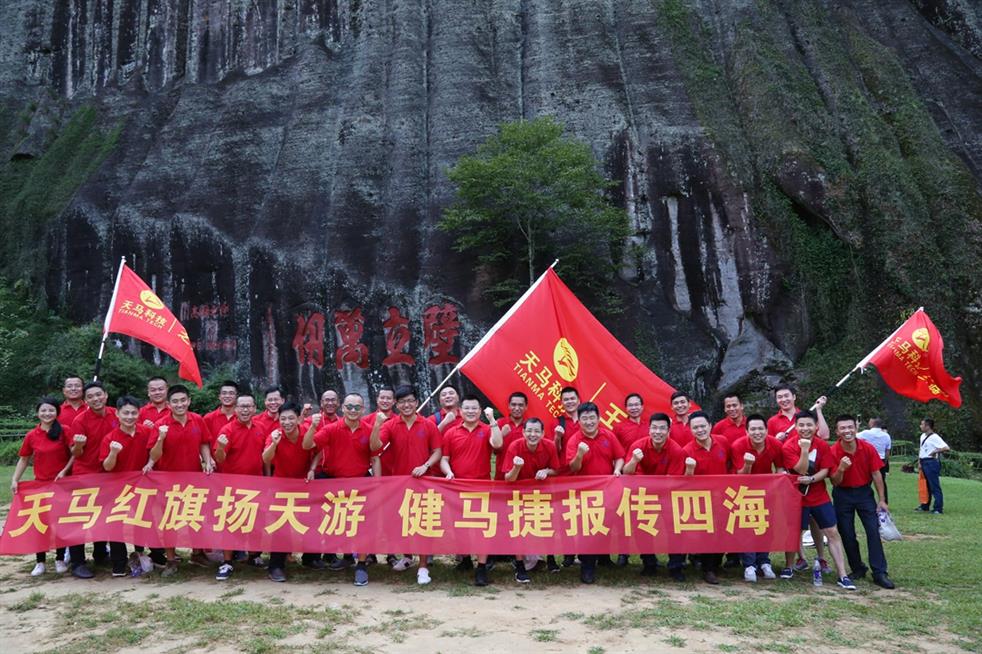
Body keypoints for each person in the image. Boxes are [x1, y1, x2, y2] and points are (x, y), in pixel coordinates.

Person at [304, 393, 379, 585]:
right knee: (334, 522)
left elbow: (375, 455)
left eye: (357, 407)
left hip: (360, 484)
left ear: (363, 409)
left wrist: (378, 483)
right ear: (343, 408)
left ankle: (361, 565)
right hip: (334, 483)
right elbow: (308, 445)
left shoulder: (369, 429)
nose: (353, 410)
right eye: (349, 407)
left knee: (362, 524)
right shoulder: (331, 429)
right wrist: (312, 426)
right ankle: (338, 556)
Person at [371, 385, 443, 583]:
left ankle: (423, 567)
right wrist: (377, 425)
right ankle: (407, 557)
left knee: (423, 523)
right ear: (397, 404)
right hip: (400, 482)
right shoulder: (391, 425)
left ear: (417, 402)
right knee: (403, 522)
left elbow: (437, 451)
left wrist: (425, 465)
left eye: (410, 401)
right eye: (402, 402)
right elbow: (375, 446)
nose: (406, 405)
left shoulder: (428, 425)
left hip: (423, 481)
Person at [145, 384, 215, 576]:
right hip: (168, 481)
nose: (180, 404)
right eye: (175, 401)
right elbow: (154, 455)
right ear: (168, 404)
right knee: (170, 521)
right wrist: (161, 438)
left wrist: (207, 460)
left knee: (196, 517)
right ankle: (171, 559)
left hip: (194, 477)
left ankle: (197, 553)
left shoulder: (198, 420)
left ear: (189, 401)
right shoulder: (161, 425)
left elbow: (204, 442)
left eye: (183, 400)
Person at [780, 410, 854, 590]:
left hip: (819, 496)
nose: (805, 428)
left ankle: (842, 575)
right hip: (796, 498)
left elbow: (826, 470)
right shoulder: (788, 446)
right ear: (795, 427)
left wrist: (812, 479)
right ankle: (789, 566)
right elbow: (800, 469)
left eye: (809, 425)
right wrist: (805, 450)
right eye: (801, 425)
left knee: (832, 532)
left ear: (816, 426)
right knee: (794, 532)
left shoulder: (822, 446)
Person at [440, 396, 504, 586]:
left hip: (481, 487)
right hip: (457, 487)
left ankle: (481, 567)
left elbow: (498, 444)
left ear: (480, 411)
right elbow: (444, 459)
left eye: (474, 408)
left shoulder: (487, 429)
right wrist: (448, 471)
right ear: (460, 411)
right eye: (466, 408)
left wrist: (492, 420)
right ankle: (465, 558)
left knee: (481, 528)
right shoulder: (451, 433)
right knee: (460, 527)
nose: (470, 411)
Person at [829, 415, 895, 589]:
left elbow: (876, 474)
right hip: (842, 494)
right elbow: (835, 481)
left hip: (864, 494)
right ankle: (857, 568)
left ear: (856, 429)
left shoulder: (867, 448)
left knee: (873, 531)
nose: (847, 431)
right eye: (842, 428)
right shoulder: (833, 451)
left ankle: (879, 572)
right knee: (847, 533)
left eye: (850, 427)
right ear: (837, 432)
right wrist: (841, 469)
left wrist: (882, 500)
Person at [11, 398, 72, 576]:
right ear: (38, 413)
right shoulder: (32, 435)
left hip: (61, 485)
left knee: (60, 524)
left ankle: (60, 559)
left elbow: (75, 454)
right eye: (43, 410)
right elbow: (24, 459)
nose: (47, 414)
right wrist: (15, 479)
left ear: (57, 412)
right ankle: (40, 562)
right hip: (40, 486)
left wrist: (65, 471)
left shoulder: (65, 431)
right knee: (40, 524)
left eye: (51, 410)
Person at [565, 402, 625, 584]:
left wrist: (617, 470)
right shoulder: (574, 440)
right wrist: (580, 454)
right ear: (579, 420)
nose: (589, 422)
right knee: (588, 529)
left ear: (599, 418)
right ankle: (587, 567)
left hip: (608, 490)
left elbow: (619, 457)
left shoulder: (608, 435)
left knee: (606, 524)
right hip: (585, 492)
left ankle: (604, 559)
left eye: (592, 418)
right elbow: (573, 467)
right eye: (585, 418)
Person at [622, 412, 686, 580]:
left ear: (668, 430)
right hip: (643, 495)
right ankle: (649, 563)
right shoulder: (638, 446)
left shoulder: (676, 450)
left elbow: (674, 481)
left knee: (675, 529)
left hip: (667, 496)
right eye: (654, 428)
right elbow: (626, 472)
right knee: (642, 529)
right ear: (649, 429)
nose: (658, 432)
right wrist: (634, 460)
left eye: (662, 428)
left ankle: (676, 566)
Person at [67, 380, 119, 576]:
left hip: (110, 474)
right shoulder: (80, 420)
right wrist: (79, 445)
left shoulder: (116, 414)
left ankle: (100, 553)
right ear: (86, 401)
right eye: (90, 397)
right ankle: (77, 562)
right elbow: (75, 453)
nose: (95, 399)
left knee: (105, 516)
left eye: (98, 395)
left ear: (106, 395)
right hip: (85, 475)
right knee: (80, 518)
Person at [213, 394, 268, 578]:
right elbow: (219, 459)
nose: (245, 410)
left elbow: (265, 456)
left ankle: (254, 556)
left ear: (254, 409)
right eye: (242, 406)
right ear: (235, 409)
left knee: (255, 522)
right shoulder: (227, 430)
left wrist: (268, 479)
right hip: (232, 486)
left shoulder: (261, 427)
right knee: (230, 523)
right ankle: (227, 562)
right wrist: (221, 447)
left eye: (249, 406)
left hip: (256, 484)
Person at [263, 402, 318, 582]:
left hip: (304, 485)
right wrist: (274, 444)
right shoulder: (275, 435)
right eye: (283, 419)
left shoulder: (307, 431)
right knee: (281, 525)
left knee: (311, 521)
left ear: (298, 418)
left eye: (291, 418)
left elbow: (319, 451)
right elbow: (266, 458)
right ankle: (276, 566)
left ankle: (311, 559)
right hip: (282, 487)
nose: (287, 422)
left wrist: (312, 469)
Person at [501, 417, 560, 582]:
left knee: (547, 525)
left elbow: (556, 470)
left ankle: (551, 558)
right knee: (519, 529)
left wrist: (546, 471)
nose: (532, 434)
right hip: (518, 495)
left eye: (536, 431)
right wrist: (516, 467)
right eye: (529, 431)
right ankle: (520, 566)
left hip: (542, 493)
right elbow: (508, 478)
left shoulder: (549, 446)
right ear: (523, 432)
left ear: (542, 433)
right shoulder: (515, 446)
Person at [100, 395, 152, 577]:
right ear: (117, 414)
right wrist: (113, 453)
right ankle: (119, 563)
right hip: (117, 488)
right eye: (126, 413)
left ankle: (140, 554)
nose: (130, 417)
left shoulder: (146, 432)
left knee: (142, 521)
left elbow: (155, 454)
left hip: (142, 486)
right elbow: (107, 467)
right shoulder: (110, 438)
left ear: (139, 414)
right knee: (116, 524)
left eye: (133, 413)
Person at [729, 414, 784, 582]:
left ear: (767, 430)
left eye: (760, 429)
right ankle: (749, 565)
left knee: (765, 527)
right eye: (753, 429)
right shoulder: (738, 446)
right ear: (747, 431)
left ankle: (764, 561)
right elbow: (740, 475)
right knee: (747, 528)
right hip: (744, 492)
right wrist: (748, 464)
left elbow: (780, 467)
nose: (757, 432)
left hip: (767, 492)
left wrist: (780, 479)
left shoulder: (775, 444)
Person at [681, 411, 730, 584]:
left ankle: (716, 563)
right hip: (702, 500)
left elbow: (730, 464)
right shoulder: (687, 451)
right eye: (695, 427)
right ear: (690, 429)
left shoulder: (723, 442)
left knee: (723, 533)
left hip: (724, 496)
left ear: (710, 426)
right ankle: (708, 569)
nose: (700, 430)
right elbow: (684, 481)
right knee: (708, 534)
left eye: (703, 426)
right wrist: (689, 469)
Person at [917, 418, 949, 514]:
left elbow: (946, 448)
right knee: (925, 485)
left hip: (931, 462)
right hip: (923, 461)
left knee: (934, 485)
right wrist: (919, 462)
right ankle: (925, 505)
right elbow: (921, 449)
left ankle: (938, 508)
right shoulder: (922, 436)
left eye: (922, 424)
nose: (920, 426)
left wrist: (936, 451)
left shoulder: (935, 437)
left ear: (927, 426)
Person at [495, 392, 528, 481]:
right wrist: (501, 435)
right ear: (509, 406)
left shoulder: (530, 426)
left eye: (521, 405)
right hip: (502, 475)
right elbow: (494, 451)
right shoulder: (499, 423)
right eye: (513, 405)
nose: (517, 408)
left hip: (525, 476)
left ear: (526, 407)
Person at [857, 418, 892, 503]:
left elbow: (853, 436)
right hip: (881, 460)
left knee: (866, 482)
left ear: (872, 423)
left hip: (867, 460)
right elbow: (887, 450)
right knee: (881, 482)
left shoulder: (866, 433)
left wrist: (857, 426)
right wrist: (885, 462)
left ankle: (863, 500)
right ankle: (884, 501)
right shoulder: (886, 435)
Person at [550, 386, 581, 453]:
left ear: (579, 400)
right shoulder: (557, 422)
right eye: (566, 400)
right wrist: (557, 437)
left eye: (572, 398)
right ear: (561, 402)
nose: (569, 402)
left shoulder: (586, 420)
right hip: (565, 460)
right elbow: (553, 451)